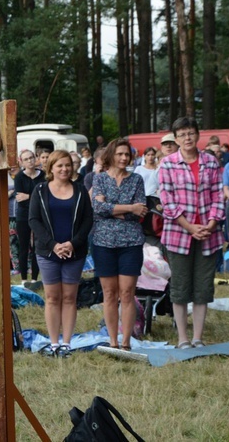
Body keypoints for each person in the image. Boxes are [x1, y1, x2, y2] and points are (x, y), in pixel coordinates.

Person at [159, 117, 224, 349]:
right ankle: (182, 338)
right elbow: (167, 202)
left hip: (209, 234)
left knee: (203, 286)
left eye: (190, 133)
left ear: (197, 135)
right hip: (179, 234)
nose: (187, 138)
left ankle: (197, 337)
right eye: (182, 134)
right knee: (180, 286)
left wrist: (213, 223)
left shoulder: (211, 162)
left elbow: (218, 196)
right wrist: (189, 226)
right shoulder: (167, 164)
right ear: (176, 139)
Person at [29, 150, 93, 358]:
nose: (64, 169)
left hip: (74, 252)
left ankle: (67, 342)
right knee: (51, 297)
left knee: (69, 297)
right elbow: (33, 220)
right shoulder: (40, 190)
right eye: (60, 166)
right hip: (48, 252)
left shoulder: (81, 190)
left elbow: (87, 221)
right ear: (51, 168)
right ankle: (54, 342)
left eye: (67, 165)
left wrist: (72, 244)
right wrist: (53, 245)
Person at [91, 139, 147, 350]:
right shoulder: (100, 179)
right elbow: (98, 207)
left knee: (127, 293)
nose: (124, 158)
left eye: (127, 155)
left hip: (131, 243)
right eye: (120, 154)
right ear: (111, 155)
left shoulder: (137, 179)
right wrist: (128, 208)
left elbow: (140, 212)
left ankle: (126, 342)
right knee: (109, 293)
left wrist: (116, 210)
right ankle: (112, 341)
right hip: (103, 242)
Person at [14, 149, 44, 284]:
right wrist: (35, 196)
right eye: (26, 159)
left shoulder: (43, 175)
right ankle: (24, 278)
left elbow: (45, 196)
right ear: (21, 162)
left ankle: (34, 278)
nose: (30, 161)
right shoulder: (19, 177)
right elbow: (20, 198)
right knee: (23, 246)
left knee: (38, 246)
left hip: (40, 214)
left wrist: (29, 196)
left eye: (31, 157)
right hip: (23, 215)